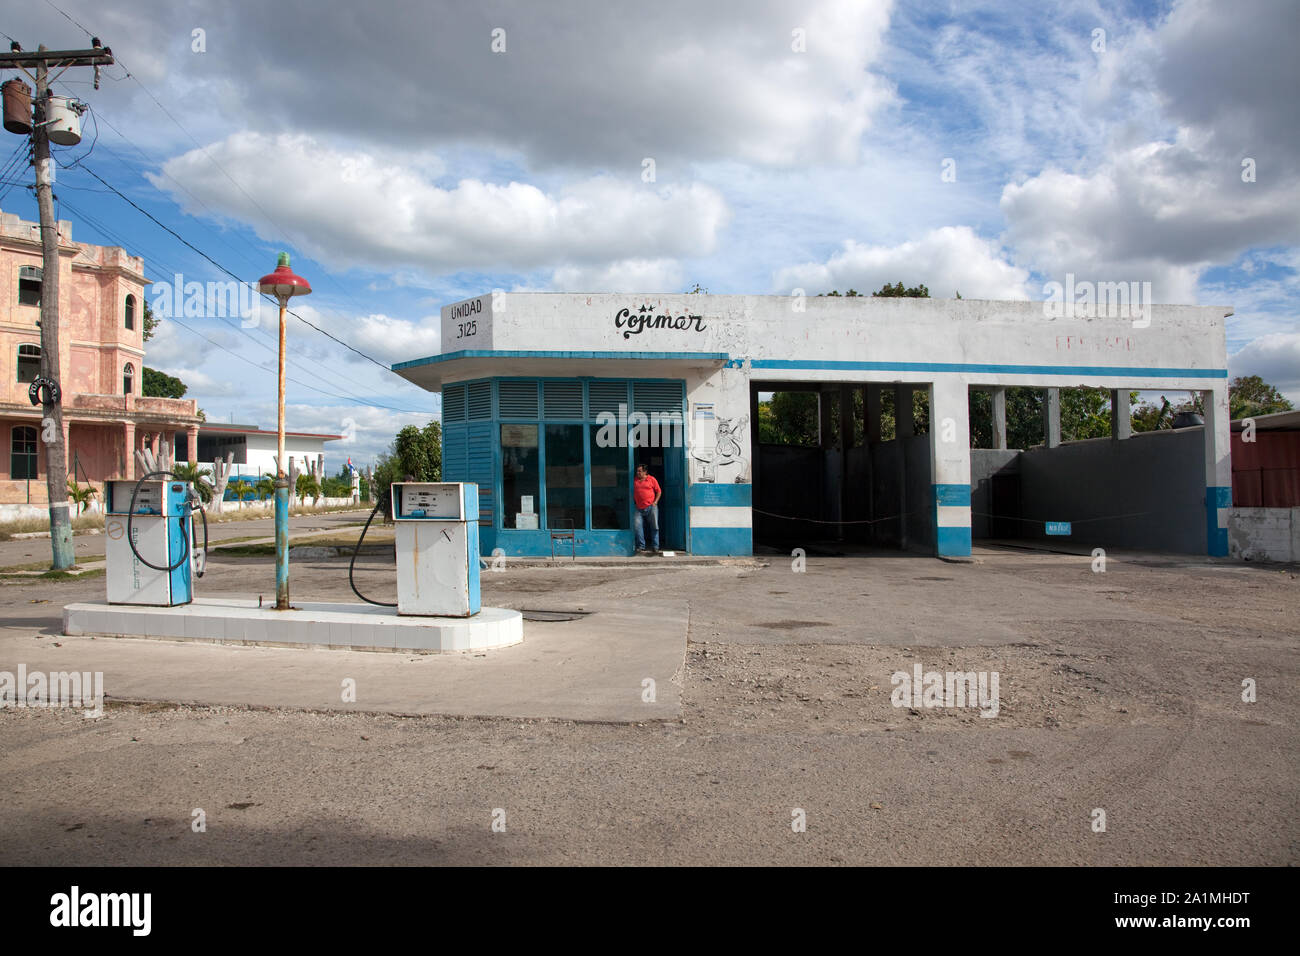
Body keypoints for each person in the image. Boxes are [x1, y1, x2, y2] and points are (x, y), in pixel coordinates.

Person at [632, 463, 661, 554]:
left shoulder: (651, 479)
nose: (638, 473)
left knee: (654, 527)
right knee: (637, 527)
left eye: (640, 471)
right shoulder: (635, 480)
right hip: (638, 508)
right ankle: (641, 546)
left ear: (645, 472)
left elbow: (659, 491)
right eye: (637, 471)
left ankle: (655, 547)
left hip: (651, 507)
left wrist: (655, 502)